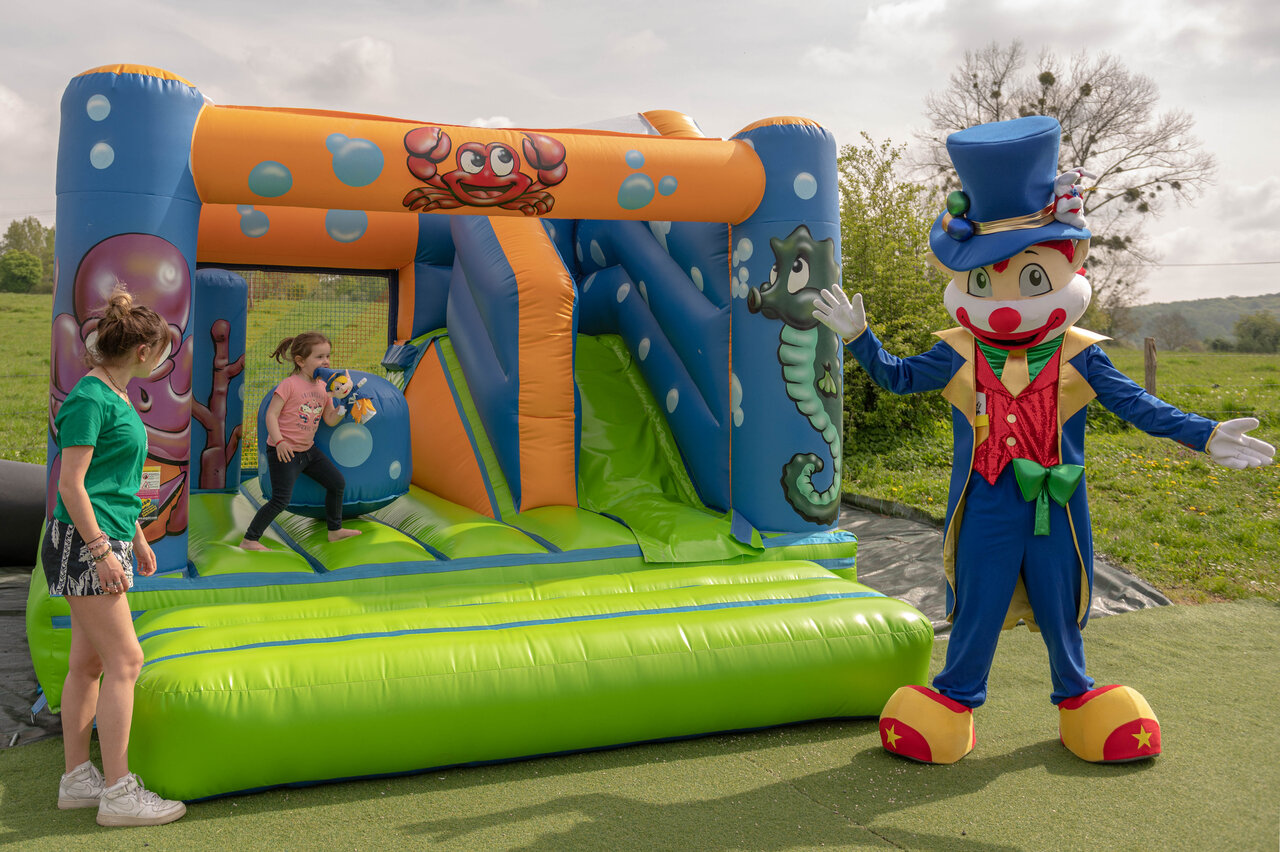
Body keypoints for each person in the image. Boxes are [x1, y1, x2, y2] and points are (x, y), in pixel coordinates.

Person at [813, 115, 1274, 765]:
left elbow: (1135, 404)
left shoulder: (1081, 356)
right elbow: (896, 379)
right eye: (982, 282)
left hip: (1054, 503)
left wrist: (1204, 435)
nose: (1002, 303)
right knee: (977, 598)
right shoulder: (958, 353)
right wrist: (859, 339)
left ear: (1067, 268)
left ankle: (1078, 696)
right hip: (989, 502)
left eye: (1028, 279)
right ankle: (955, 696)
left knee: (1062, 601)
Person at [44, 285, 187, 826]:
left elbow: (113, 481)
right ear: (144, 352)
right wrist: (104, 549)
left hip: (107, 538)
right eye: (164, 349)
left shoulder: (117, 393)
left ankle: (79, 780)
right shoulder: (90, 398)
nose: (167, 356)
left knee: (90, 663)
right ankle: (119, 792)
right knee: (127, 661)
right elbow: (72, 486)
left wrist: (138, 537)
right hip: (86, 544)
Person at [240, 332, 362, 550]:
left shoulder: (324, 389)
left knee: (337, 483)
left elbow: (330, 419)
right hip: (284, 452)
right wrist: (279, 442)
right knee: (280, 500)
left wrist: (344, 404)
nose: (326, 362)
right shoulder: (290, 384)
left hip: (308, 451)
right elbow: (271, 415)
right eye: (319, 357)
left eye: (328, 356)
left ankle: (334, 530)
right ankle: (250, 539)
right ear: (300, 360)